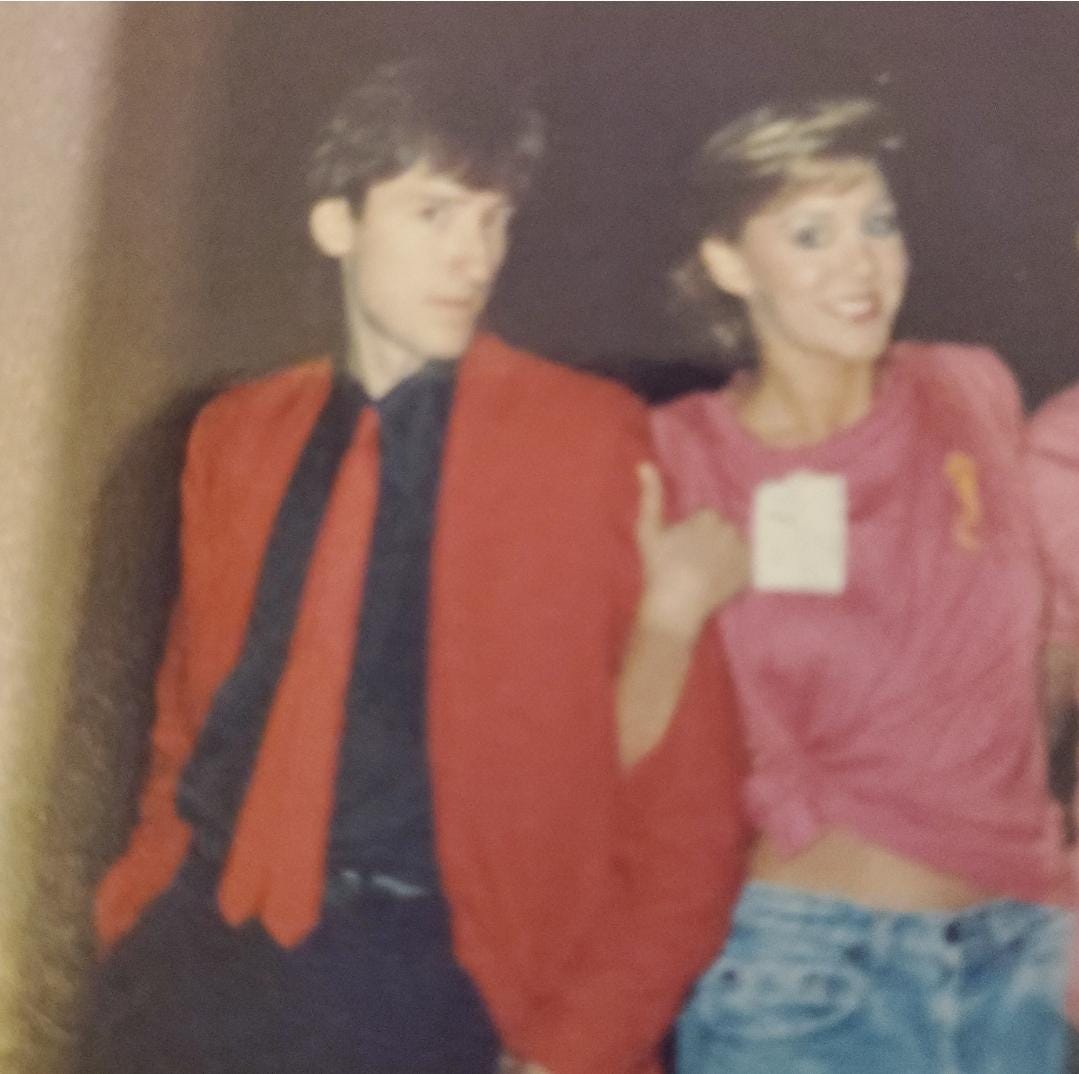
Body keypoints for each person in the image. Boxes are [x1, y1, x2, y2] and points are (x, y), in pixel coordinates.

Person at [89, 57, 749, 1074]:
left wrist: (569, 1049)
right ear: (336, 224)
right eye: (434, 214)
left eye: (493, 221)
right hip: (197, 966)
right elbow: (190, 722)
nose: (472, 257)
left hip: (425, 981)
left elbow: (689, 817)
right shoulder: (237, 435)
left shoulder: (581, 443)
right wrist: (134, 911)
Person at [646, 96, 1073, 1073]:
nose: (860, 262)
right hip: (810, 978)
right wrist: (666, 620)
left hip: (1020, 964)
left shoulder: (970, 387)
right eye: (811, 234)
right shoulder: (680, 455)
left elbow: (1036, 651)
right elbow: (609, 747)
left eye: (877, 223)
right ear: (727, 263)